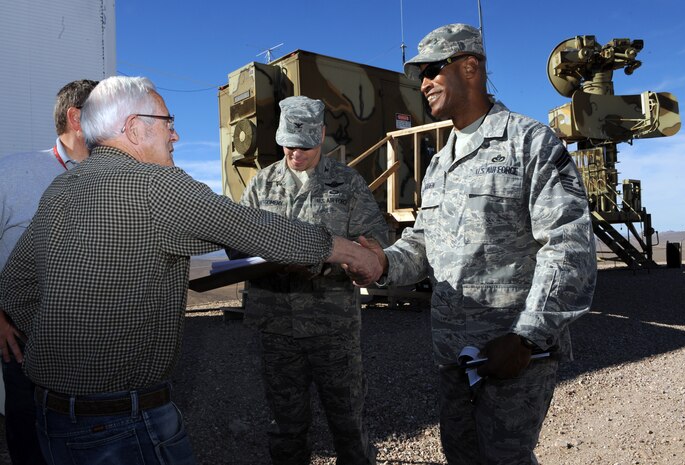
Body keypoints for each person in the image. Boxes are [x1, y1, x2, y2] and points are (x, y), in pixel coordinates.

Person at [0, 76, 382, 465]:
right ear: (134, 128)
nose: (176, 135)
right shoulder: (155, 184)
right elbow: (253, 229)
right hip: (124, 423)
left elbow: (15, 285)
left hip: (54, 417)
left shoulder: (61, 189)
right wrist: (348, 251)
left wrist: (68, 345)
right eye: (167, 122)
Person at [359, 24, 597, 464]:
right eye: (420, 74)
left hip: (512, 352)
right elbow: (425, 242)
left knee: (504, 458)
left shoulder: (529, 142)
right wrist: (383, 263)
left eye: (432, 69)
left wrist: (527, 337)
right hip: (453, 352)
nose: (423, 82)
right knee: (462, 456)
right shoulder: (440, 162)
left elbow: (568, 247)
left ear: (470, 68)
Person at [238, 96, 388, 465]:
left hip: (332, 327)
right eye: (288, 144)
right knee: (286, 428)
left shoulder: (347, 183)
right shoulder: (261, 184)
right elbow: (239, 242)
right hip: (277, 328)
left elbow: (376, 245)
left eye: (304, 145)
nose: (295, 153)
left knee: (349, 425)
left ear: (321, 135)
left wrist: (340, 262)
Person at [0, 78, 98, 465]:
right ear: (76, 119)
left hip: (96, 338)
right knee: (31, 437)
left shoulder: (113, 178)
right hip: (23, 338)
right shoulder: (13, 172)